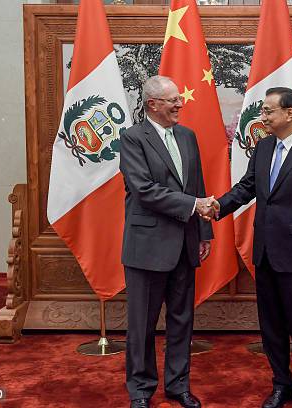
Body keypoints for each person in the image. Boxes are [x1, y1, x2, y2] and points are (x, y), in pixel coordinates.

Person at [211, 87, 292, 408]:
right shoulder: (263, 148)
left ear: (289, 114)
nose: (262, 117)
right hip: (265, 251)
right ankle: (281, 383)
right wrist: (216, 207)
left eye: (268, 111)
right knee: (271, 326)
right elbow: (247, 187)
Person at [119, 75, 216, 408]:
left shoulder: (187, 136)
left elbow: (197, 185)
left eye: (179, 99)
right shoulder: (132, 138)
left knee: (181, 321)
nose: (180, 104)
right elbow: (144, 190)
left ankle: (178, 386)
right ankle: (141, 390)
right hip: (147, 247)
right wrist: (193, 206)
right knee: (142, 325)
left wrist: (204, 232)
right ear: (153, 105)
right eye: (173, 100)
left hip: (186, 245)